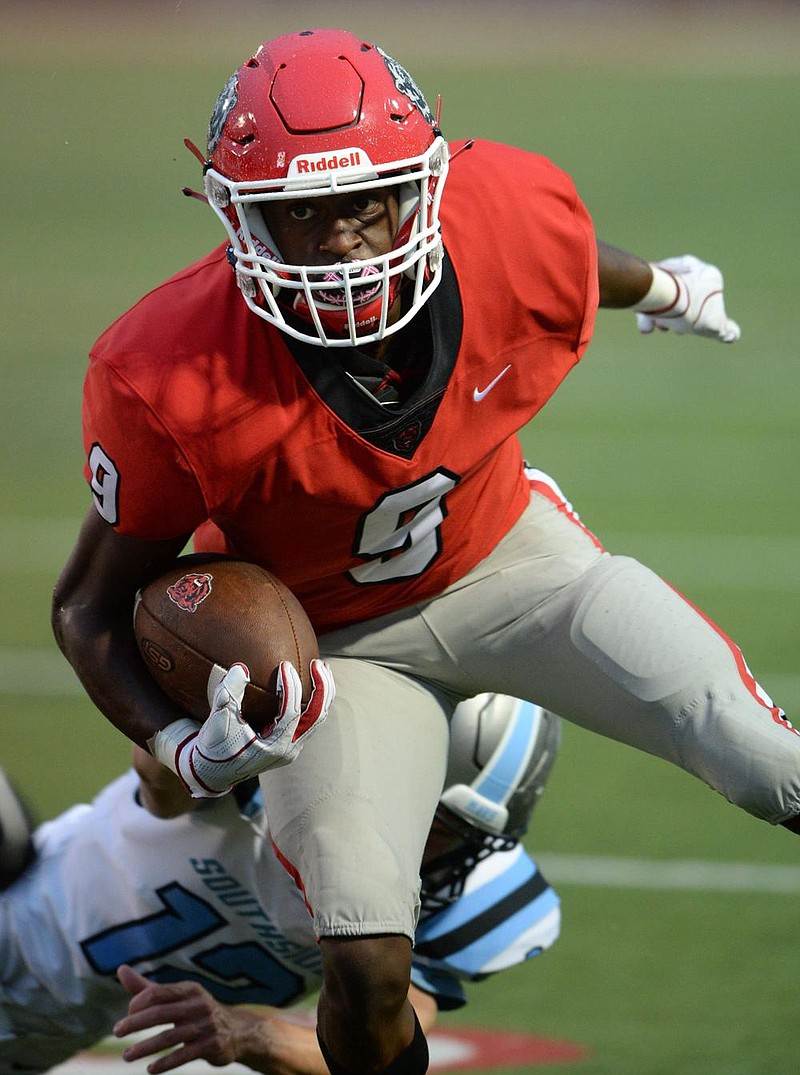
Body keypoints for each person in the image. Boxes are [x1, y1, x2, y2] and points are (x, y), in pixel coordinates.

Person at [50, 26, 798, 1075]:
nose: (344, 241)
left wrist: (665, 288)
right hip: (336, 650)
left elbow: (574, 262)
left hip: (514, 568)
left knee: (767, 761)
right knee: (362, 964)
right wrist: (181, 749)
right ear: (236, 216)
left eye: (367, 202)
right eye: (297, 214)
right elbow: (87, 607)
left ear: (425, 187)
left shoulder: (504, 220)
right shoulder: (168, 371)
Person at [0, 696, 560, 1074]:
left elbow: (378, 1048)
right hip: (19, 898)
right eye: (412, 812)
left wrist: (247, 1035)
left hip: (38, 1031)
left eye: (445, 829)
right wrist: (196, 721)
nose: (414, 839)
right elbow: (159, 790)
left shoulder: (480, 902)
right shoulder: (283, 765)